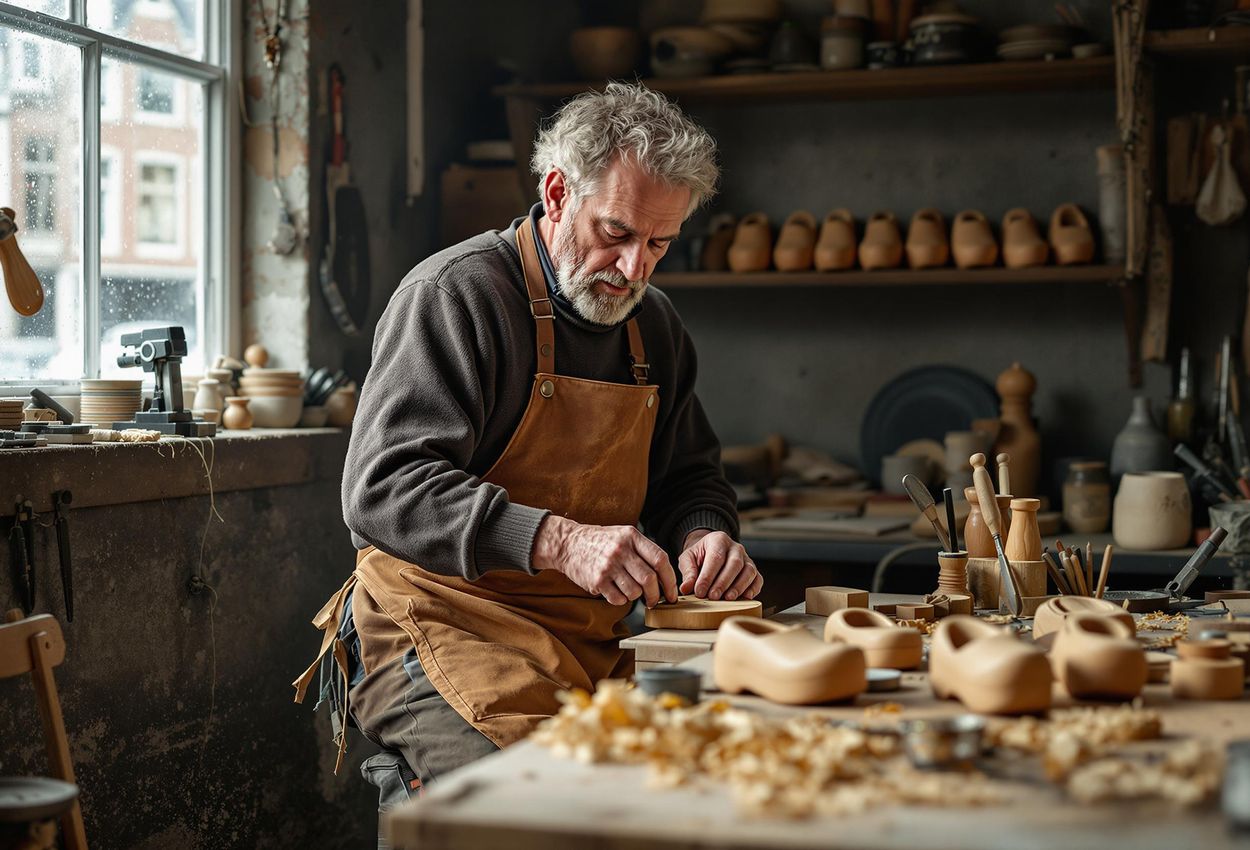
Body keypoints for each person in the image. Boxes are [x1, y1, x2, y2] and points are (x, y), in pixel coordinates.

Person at [293, 82, 762, 814]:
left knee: (689, 785)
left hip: (580, 640)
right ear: (555, 192)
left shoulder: (656, 328)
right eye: (617, 233)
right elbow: (380, 486)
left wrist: (706, 532)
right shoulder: (457, 296)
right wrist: (555, 539)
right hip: (436, 625)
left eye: (659, 244)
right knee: (533, 808)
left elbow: (690, 478)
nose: (635, 268)